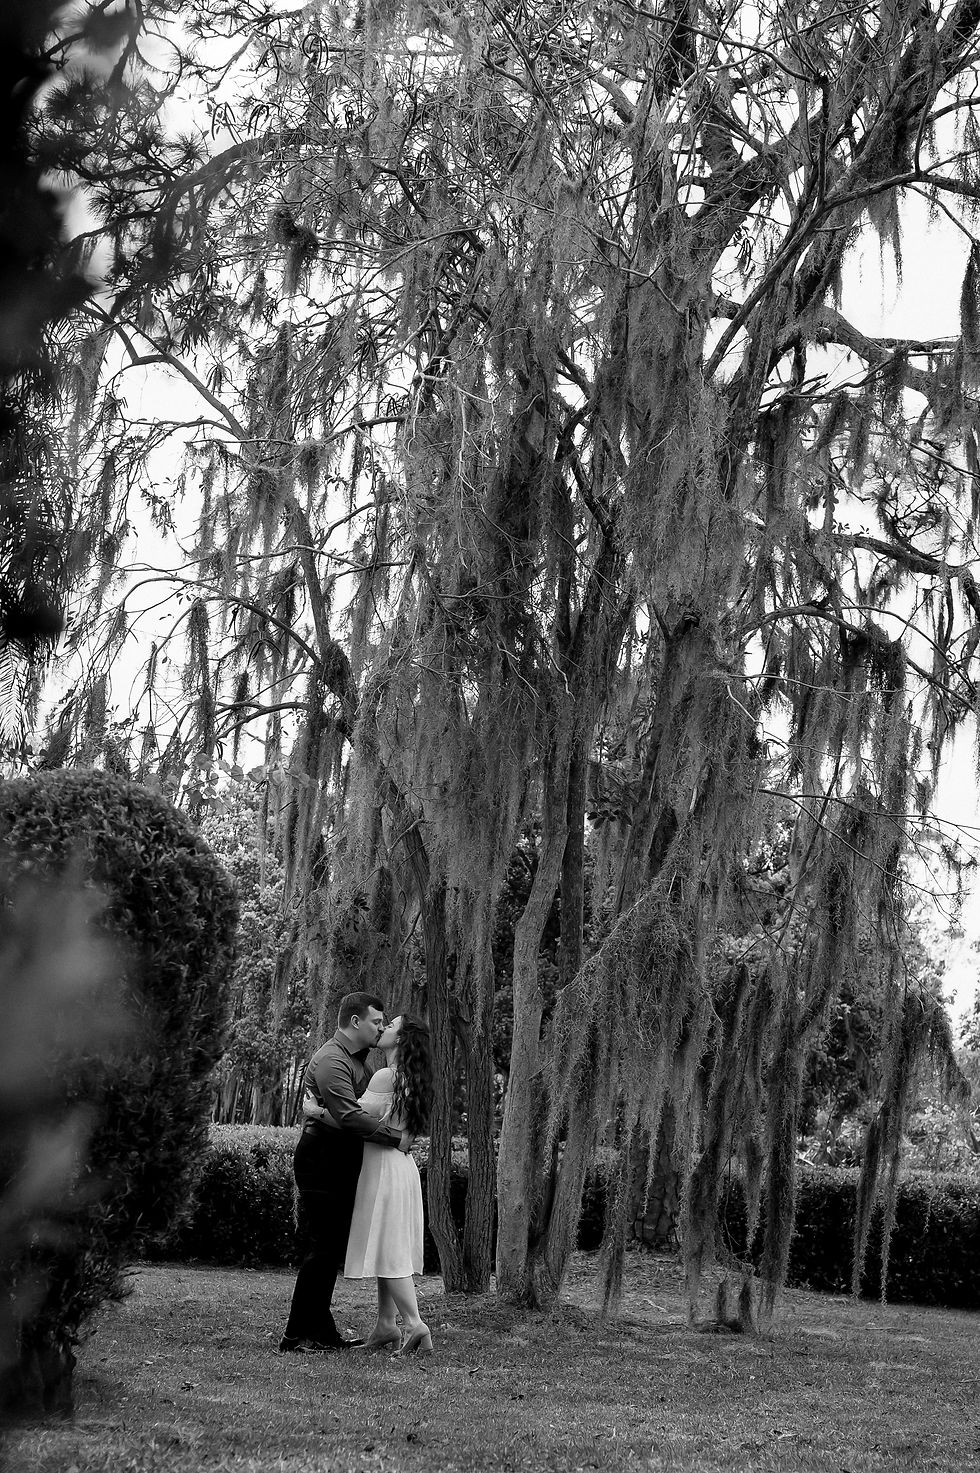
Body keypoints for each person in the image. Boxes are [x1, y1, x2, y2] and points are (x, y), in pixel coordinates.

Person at [278, 992, 413, 1354]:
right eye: (375, 1022)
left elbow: (355, 1113)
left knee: (329, 1249)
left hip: (340, 1160)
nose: (380, 1028)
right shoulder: (332, 1060)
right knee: (321, 1248)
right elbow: (351, 1117)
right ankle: (295, 1335)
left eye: (384, 1024)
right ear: (355, 1022)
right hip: (321, 1158)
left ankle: (321, 1331)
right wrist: (396, 1138)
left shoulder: (360, 1062)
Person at [303, 1013, 433, 1356]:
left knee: (389, 1253)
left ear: (401, 1040)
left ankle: (414, 1324)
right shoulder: (412, 1078)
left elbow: (353, 1120)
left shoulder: (386, 1076)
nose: (383, 1028)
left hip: (383, 1168)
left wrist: (314, 1112)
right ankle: (385, 1326)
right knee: (388, 1248)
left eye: (390, 1026)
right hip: (403, 1168)